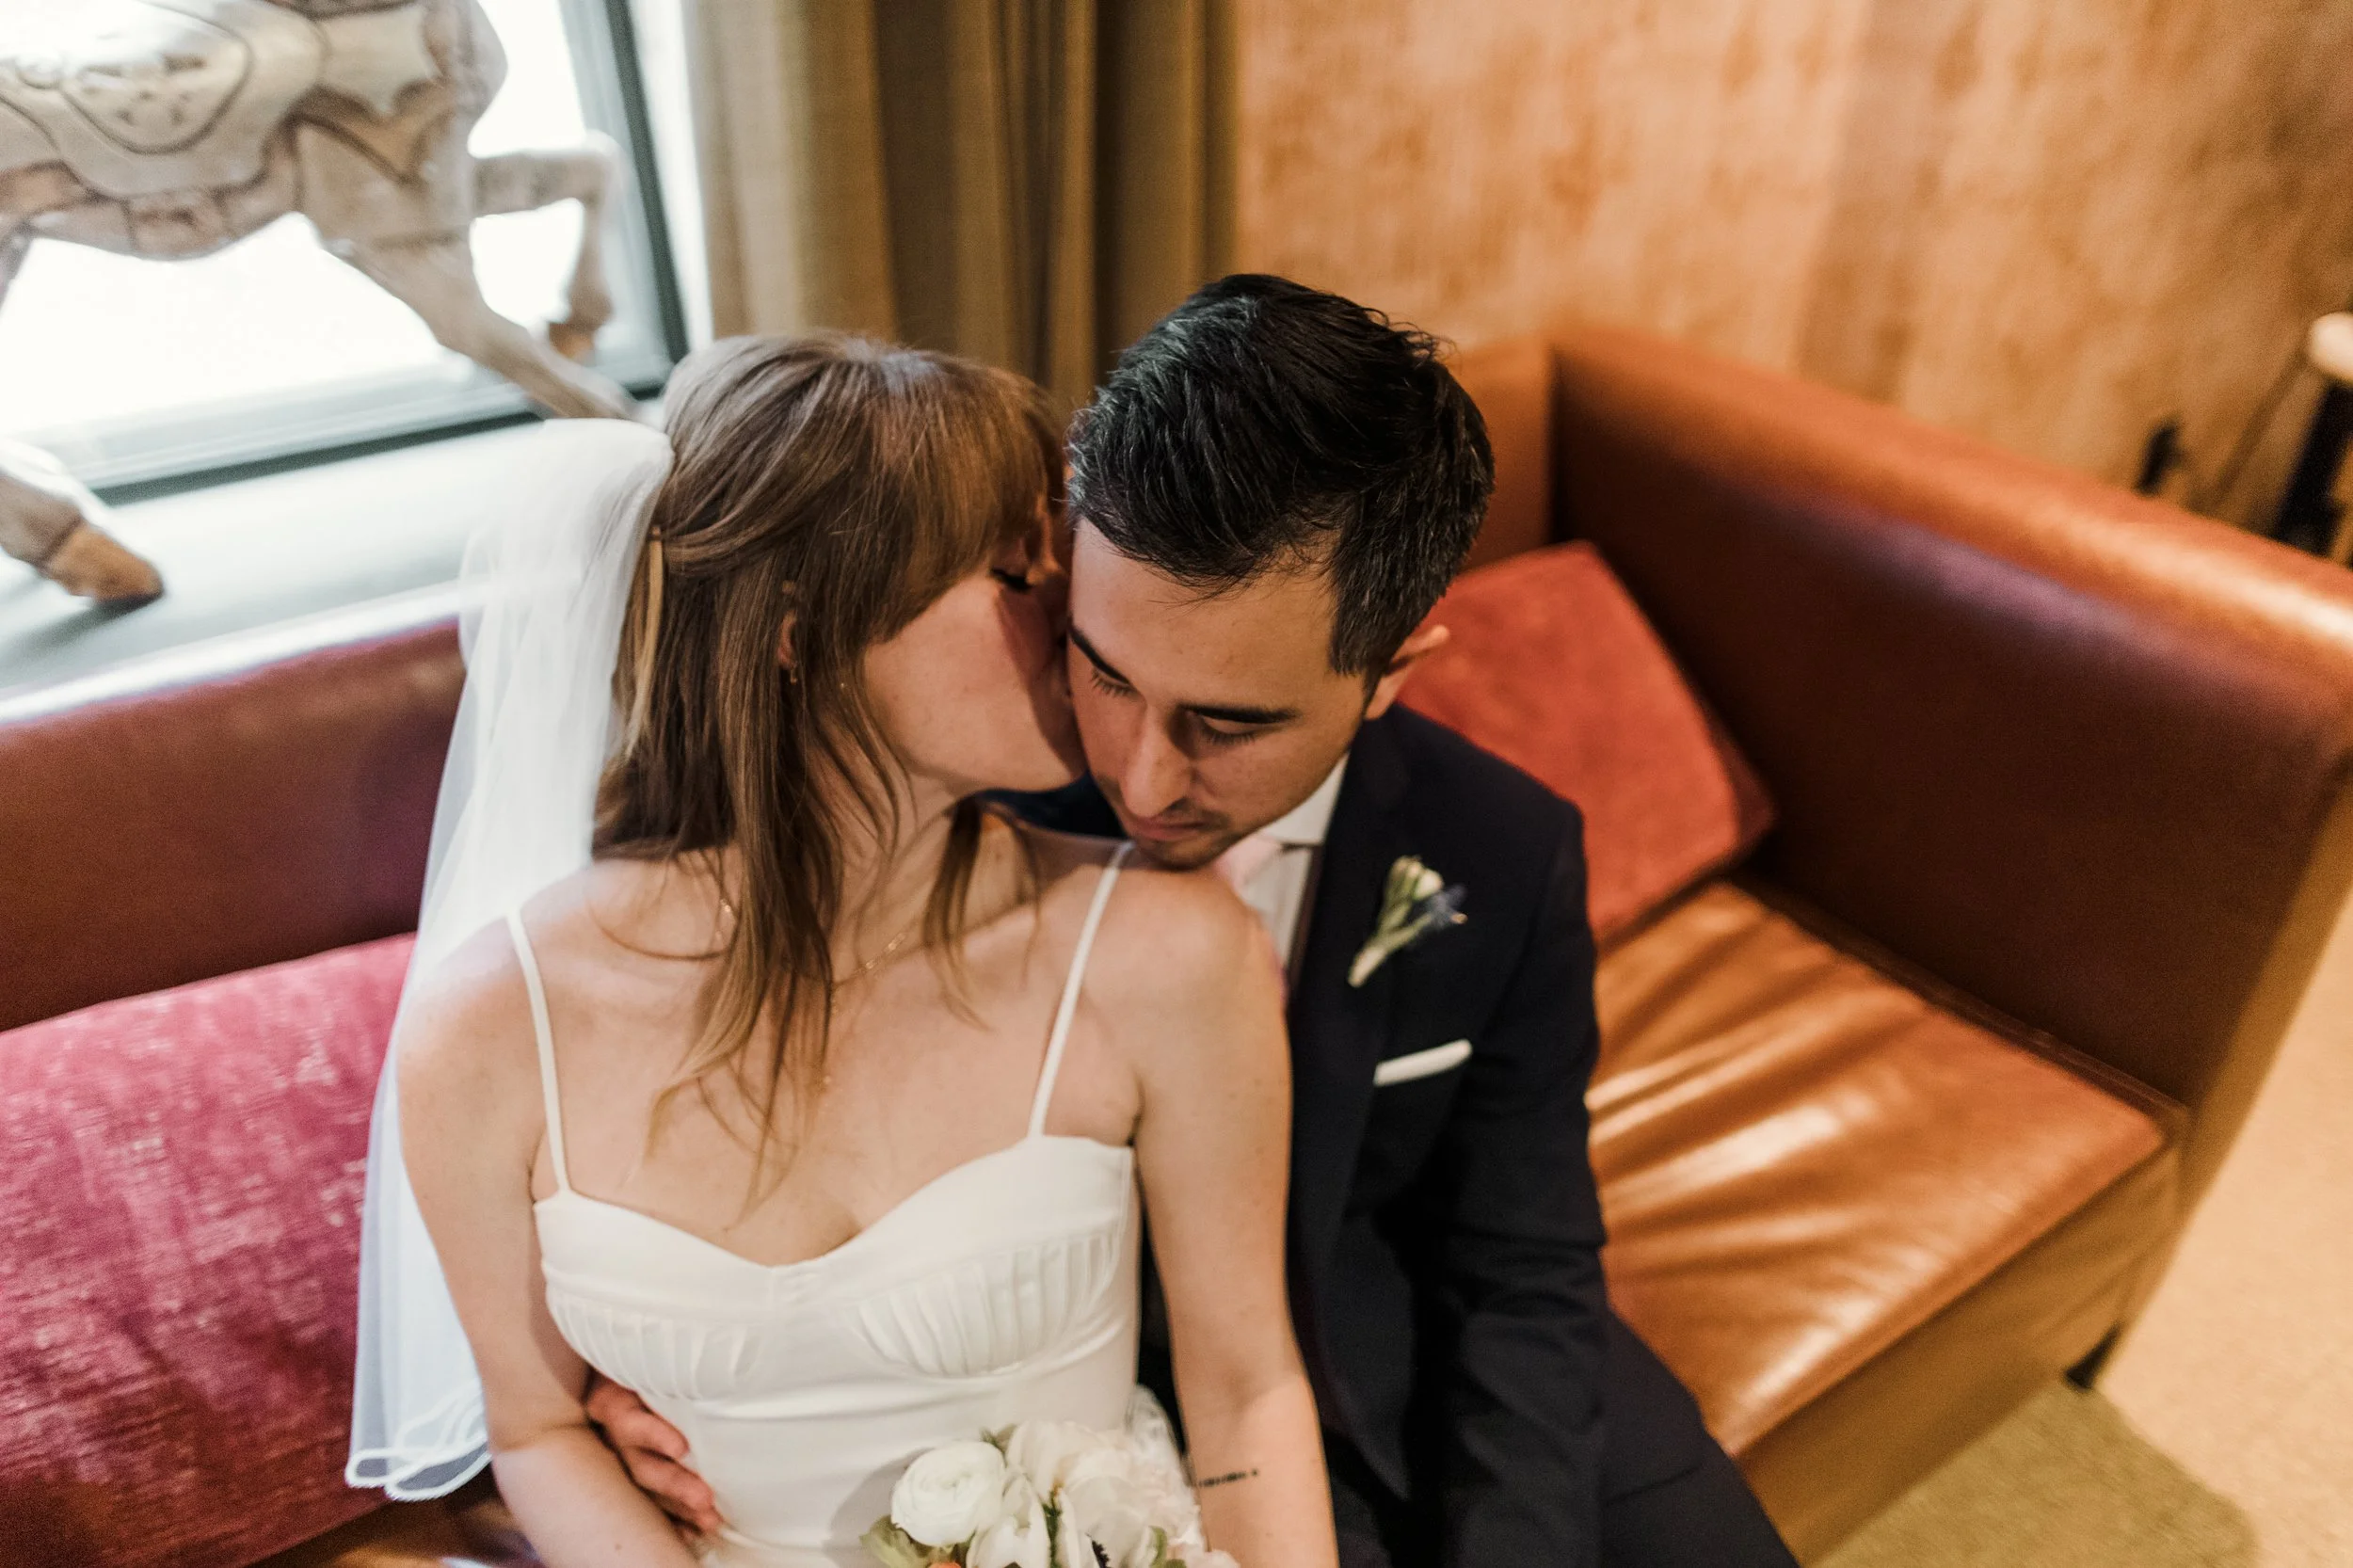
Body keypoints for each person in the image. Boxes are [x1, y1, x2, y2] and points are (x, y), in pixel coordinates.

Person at [592, 278, 1800, 1567]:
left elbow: (1522, 1254)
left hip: (1414, 1350)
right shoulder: (949, 764)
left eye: (1230, 723)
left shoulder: (1500, 851)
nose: (1143, 776)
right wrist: (640, 1370)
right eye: (1103, 669)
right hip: (1094, 1413)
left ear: (1392, 669)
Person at [346, 333, 1341, 1568]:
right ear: (797, 627)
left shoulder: (1164, 949)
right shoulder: (492, 1029)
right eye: (1015, 574)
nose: (1075, 622)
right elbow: (539, 1429)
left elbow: (1249, 1388)